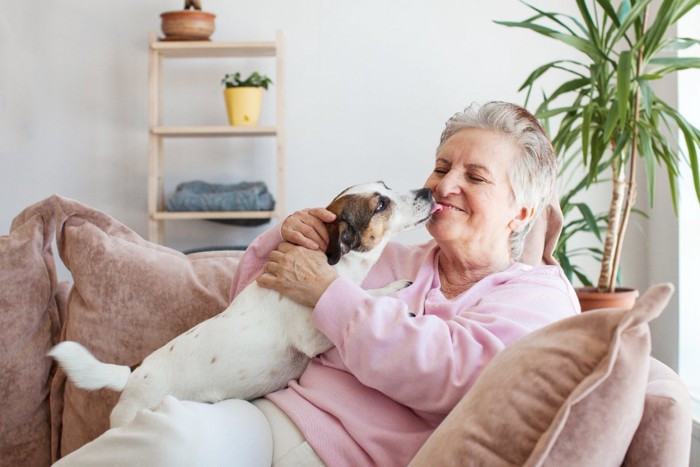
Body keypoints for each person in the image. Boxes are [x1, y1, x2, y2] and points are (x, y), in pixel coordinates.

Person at [54, 101, 580, 467]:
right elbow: (253, 318)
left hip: (348, 454)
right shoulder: (388, 254)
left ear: (522, 212)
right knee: (170, 440)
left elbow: (453, 374)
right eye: (442, 166)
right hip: (265, 418)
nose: (444, 184)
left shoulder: (535, 297)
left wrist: (328, 294)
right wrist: (283, 242)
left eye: (476, 176)